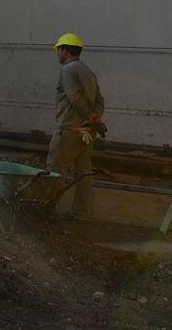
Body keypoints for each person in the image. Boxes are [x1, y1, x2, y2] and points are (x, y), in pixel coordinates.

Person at [48, 32, 106, 219]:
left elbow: (74, 98)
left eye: (59, 50)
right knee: (83, 172)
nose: (58, 54)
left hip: (69, 131)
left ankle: (46, 210)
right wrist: (94, 120)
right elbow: (100, 100)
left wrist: (89, 116)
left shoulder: (67, 70)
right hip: (87, 132)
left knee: (56, 171)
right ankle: (80, 212)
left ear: (65, 50)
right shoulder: (88, 72)